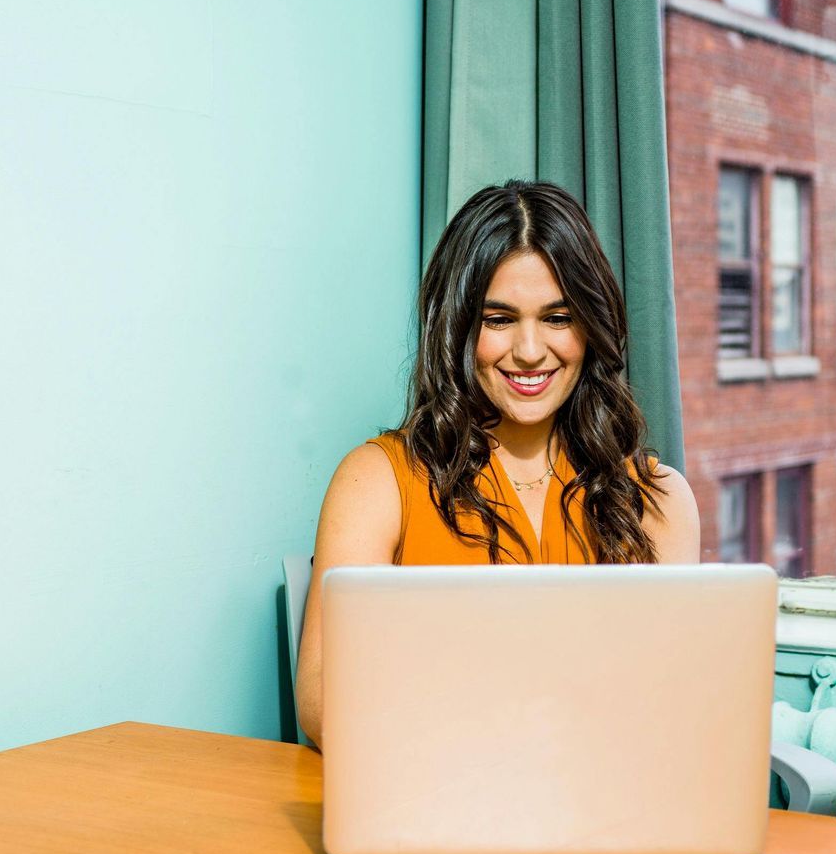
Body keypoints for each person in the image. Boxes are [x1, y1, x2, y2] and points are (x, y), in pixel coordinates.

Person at [294, 180, 700, 747]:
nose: (530, 351)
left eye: (558, 317)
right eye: (498, 319)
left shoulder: (658, 498)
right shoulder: (376, 481)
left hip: (607, 810)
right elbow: (322, 706)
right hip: (435, 796)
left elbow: (673, 707)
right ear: (459, 328)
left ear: (591, 326)